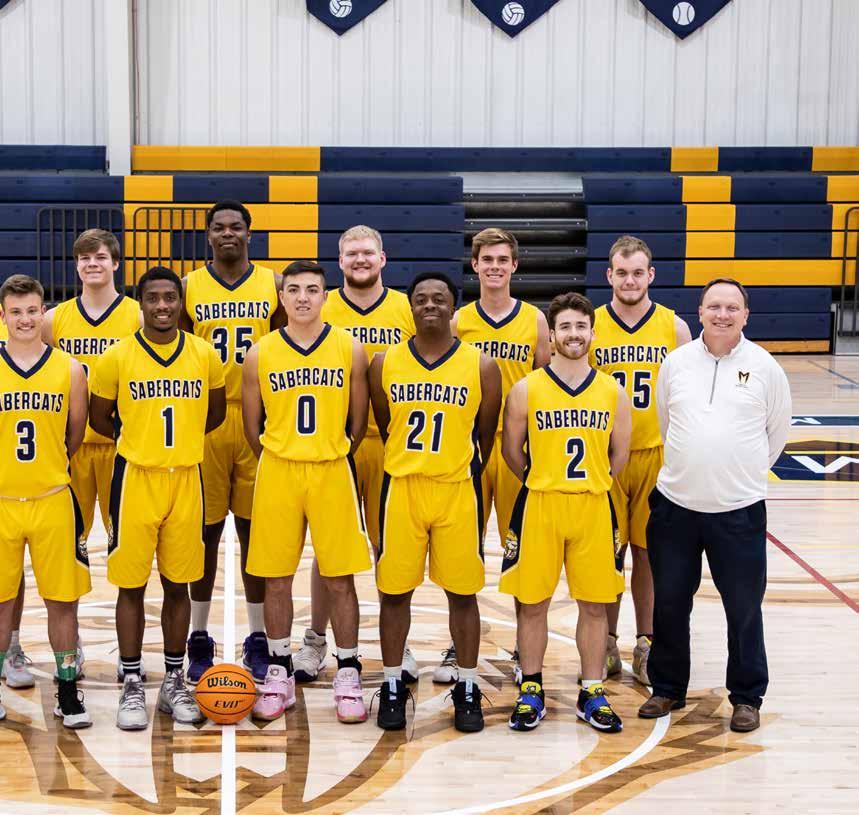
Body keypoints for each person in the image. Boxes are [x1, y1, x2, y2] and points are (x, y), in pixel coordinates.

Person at [638, 278, 791, 733]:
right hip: (676, 507)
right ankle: (667, 686)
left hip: (738, 511)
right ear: (700, 311)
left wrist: (737, 474)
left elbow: (777, 434)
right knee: (669, 602)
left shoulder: (765, 368)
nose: (722, 315)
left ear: (746, 315)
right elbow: (667, 423)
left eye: (732, 308)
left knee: (743, 607)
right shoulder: (677, 363)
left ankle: (746, 696)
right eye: (714, 307)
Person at [90, 266, 226, 731]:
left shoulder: (203, 354)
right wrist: (142, 441)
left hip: (186, 478)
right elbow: (100, 417)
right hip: (135, 480)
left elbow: (214, 413)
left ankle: (173, 680)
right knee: (130, 585)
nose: (163, 306)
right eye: (154, 298)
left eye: (170, 297)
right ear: (141, 303)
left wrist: (179, 442)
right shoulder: (117, 356)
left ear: (180, 303)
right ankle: (132, 681)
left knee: (178, 584)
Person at [369, 272, 501, 733]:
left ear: (453, 308)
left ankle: (467, 686)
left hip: (456, 490)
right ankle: (391, 684)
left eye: (439, 299)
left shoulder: (481, 365)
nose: (430, 305)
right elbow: (385, 422)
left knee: (463, 593)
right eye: (421, 298)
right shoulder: (384, 362)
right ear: (410, 307)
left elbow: (485, 434)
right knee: (394, 592)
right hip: (402, 488)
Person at [243, 261, 372, 724]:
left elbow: (359, 421)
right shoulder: (260, 353)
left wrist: (331, 451)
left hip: (331, 469)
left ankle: (349, 671)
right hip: (278, 469)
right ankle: (279, 670)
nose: (302, 298)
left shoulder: (349, 348)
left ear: (325, 296)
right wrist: (283, 453)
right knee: (276, 577)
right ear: (281, 298)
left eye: (312, 289)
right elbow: (252, 426)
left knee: (340, 577)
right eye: (293, 289)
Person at [500, 292, 631, 733]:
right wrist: (545, 478)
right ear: (551, 336)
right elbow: (512, 452)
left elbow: (619, 455)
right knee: (532, 604)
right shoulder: (526, 389)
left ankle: (591, 690)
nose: (574, 334)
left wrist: (590, 481)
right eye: (565, 327)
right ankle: (531, 689)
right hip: (540, 503)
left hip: (593, 505)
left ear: (592, 333)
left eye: (581, 326)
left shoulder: (612, 391)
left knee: (595, 605)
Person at [299, 225, 416, 684]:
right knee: (328, 551)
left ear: (382, 259)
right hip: (335, 444)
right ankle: (315, 640)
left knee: (390, 547)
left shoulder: (406, 308)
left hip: (391, 444)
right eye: (352, 254)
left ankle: (398, 645)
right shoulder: (320, 304)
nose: (360, 260)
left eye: (368, 252)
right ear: (340, 261)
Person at [181, 200, 284, 683]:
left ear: (249, 233)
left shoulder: (273, 284)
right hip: (207, 418)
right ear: (208, 235)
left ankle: (258, 635)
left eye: (235, 227)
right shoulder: (188, 287)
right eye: (219, 227)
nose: (227, 233)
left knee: (253, 534)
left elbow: (284, 346)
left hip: (257, 418)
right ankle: (198, 635)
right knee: (203, 535)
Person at [449, 227, 551, 685]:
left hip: (518, 450)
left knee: (521, 551)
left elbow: (548, 385)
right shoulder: (459, 321)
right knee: (464, 551)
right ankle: (459, 647)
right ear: (475, 266)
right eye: (486, 259)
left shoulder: (535, 320)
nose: (494, 267)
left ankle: (523, 647)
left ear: (514, 265)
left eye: (502, 259)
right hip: (471, 447)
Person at [589, 236, 691, 683]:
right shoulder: (591, 325)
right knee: (606, 555)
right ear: (609, 275)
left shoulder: (675, 328)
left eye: (637, 273)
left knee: (648, 555)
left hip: (656, 456)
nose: (629, 281)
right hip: (604, 457)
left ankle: (646, 643)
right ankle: (607, 642)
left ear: (650, 275)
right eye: (621, 273)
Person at [41, 228, 141, 682]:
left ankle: (128, 650)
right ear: (76, 265)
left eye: (100, 256)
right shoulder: (54, 320)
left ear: (115, 263)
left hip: (122, 451)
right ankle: (73, 643)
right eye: (84, 258)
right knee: (70, 551)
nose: (92, 264)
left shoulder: (136, 315)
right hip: (72, 450)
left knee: (125, 550)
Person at [0, 275, 92, 728]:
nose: (25, 319)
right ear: (2, 316)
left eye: (32, 310)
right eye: (15, 312)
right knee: (1, 603)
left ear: (44, 313)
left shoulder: (70, 369)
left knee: (63, 601)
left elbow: (74, 435)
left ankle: (68, 692)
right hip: (2, 501)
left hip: (53, 498)